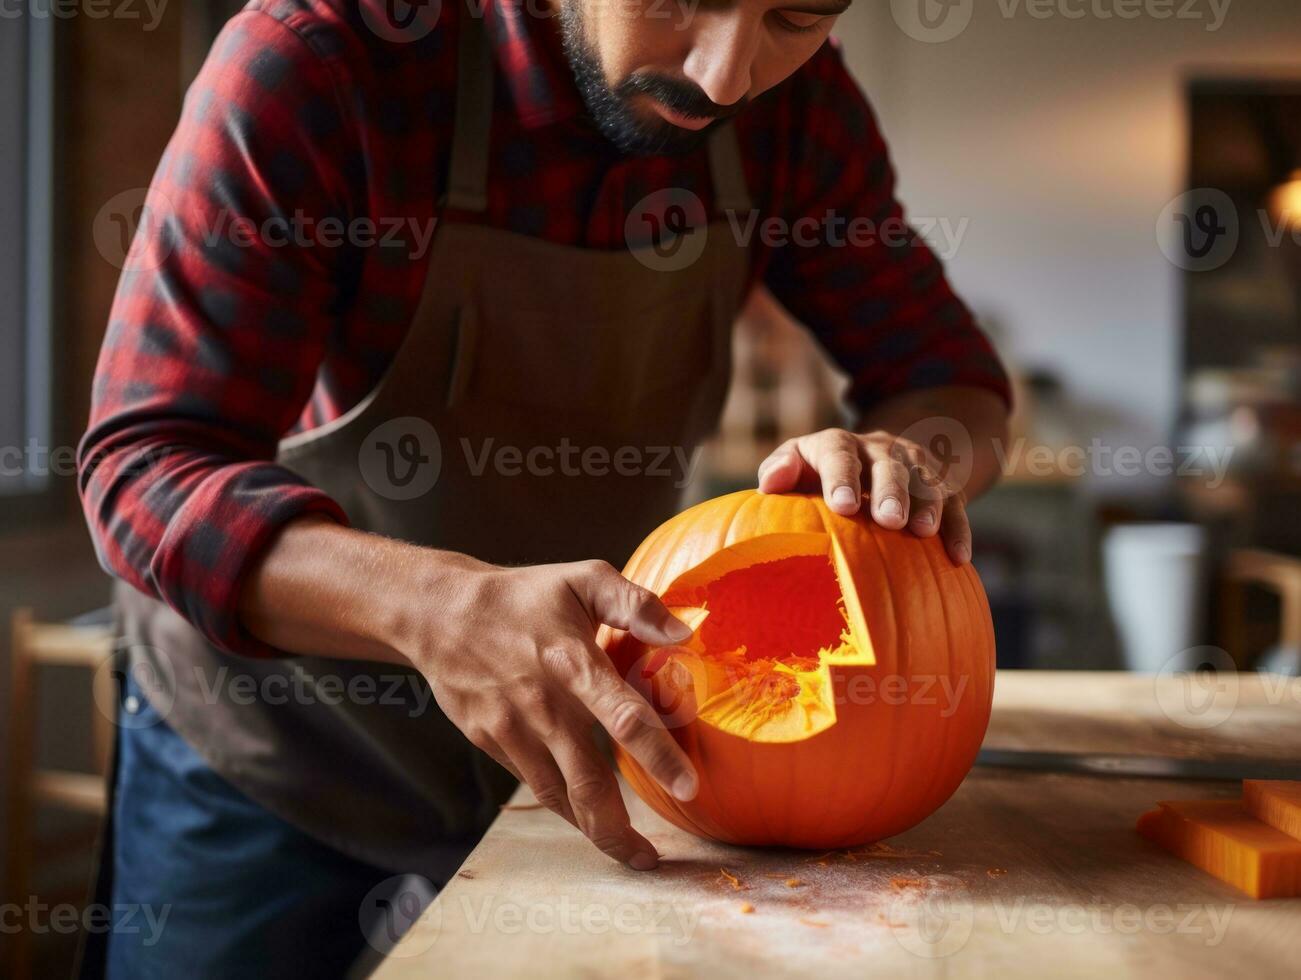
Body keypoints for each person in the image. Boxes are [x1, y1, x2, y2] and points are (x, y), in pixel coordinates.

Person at [76, 0, 1011, 974]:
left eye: (795, 16)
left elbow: (948, 378)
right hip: (275, 756)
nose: (725, 75)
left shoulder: (796, 110)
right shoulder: (317, 63)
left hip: (577, 764)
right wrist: (441, 606)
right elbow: (146, 468)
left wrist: (905, 465)